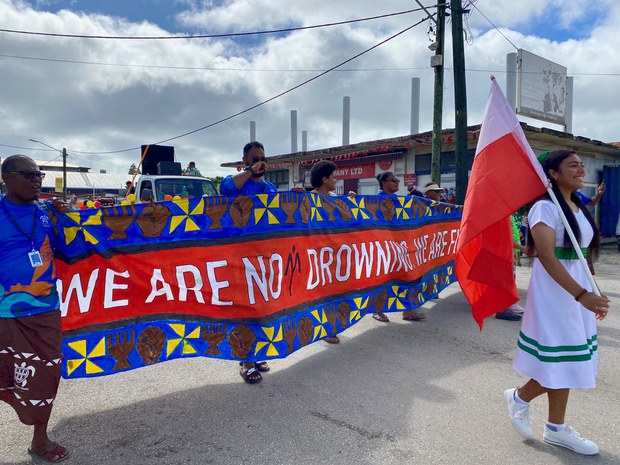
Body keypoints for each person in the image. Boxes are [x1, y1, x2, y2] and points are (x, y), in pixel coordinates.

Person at [504, 150, 610, 455]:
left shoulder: (577, 206)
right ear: (552, 173)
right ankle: (521, 398)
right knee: (565, 359)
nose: (581, 169)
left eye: (581, 165)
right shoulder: (544, 208)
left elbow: (581, 254)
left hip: (577, 290)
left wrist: (593, 292)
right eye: (572, 165)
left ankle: (555, 427)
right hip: (555, 292)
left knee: (567, 358)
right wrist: (581, 295)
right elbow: (548, 257)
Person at [1, 155, 71, 463]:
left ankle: (40, 439)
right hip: (4, 313)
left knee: (46, 373)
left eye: (39, 175)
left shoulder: (47, 213)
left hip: (44, 310)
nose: (36, 181)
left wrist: (66, 220)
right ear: (6, 178)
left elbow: (68, 250)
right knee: (4, 372)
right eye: (28, 175)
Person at [220, 142, 275, 384]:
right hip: (238, 259)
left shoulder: (270, 188)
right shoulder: (232, 182)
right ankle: (246, 361)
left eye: (263, 158)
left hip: (263, 258)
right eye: (255, 159)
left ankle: (257, 353)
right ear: (245, 160)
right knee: (245, 311)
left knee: (262, 309)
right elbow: (226, 190)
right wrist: (250, 171)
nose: (260, 162)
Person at [309, 160, 349, 343]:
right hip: (316, 255)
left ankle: (331, 325)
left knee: (334, 291)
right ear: (324, 179)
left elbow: (348, 218)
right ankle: (326, 328)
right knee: (321, 292)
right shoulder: (308, 199)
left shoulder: (335, 198)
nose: (336, 179)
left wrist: (351, 202)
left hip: (335, 254)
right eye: (333, 176)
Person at [372, 172, 403, 323]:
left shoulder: (401, 201)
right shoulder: (374, 201)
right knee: (382, 279)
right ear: (383, 183)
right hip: (382, 246)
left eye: (397, 180)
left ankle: (408, 309)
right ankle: (377, 310)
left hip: (399, 245)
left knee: (403, 276)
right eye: (393, 180)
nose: (397, 182)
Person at [495, 214, 528, 321]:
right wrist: (524, 249)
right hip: (504, 252)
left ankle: (509, 304)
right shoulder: (502, 215)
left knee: (511, 278)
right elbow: (507, 239)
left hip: (508, 252)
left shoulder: (507, 214)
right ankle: (503, 308)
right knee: (506, 280)